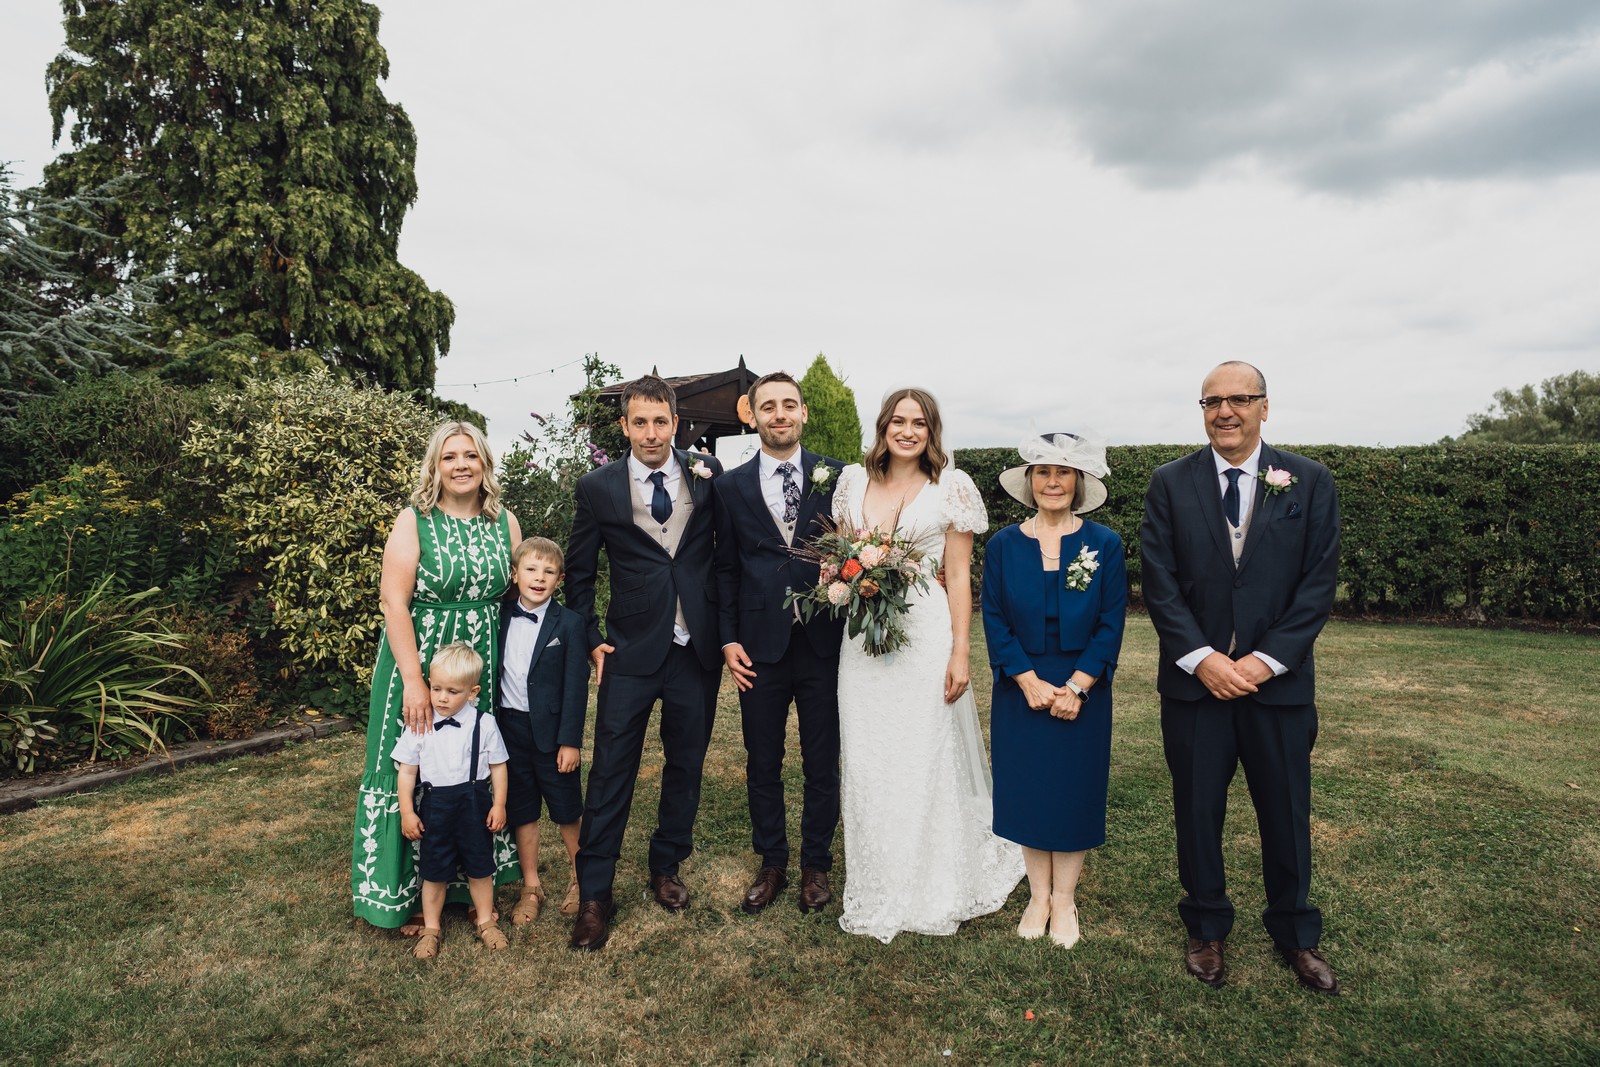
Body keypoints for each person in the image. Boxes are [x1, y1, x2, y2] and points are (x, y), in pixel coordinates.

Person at [1140, 361, 1342, 993]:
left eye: (1239, 400)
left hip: (1276, 688)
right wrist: (1203, 659)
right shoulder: (1169, 483)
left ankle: (1295, 933)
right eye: (1212, 402)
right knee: (1197, 810)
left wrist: (1264, 661)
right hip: (1196, 687)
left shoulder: (1309, 482)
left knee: (1285, 812)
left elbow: (1316, 585)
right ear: (1202, 411)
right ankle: (1205, 925)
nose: (1225, 412)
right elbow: (1160, 583)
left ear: (1263, 407)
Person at [830, 387, 1023, 942]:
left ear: (932, 430)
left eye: (919, 422)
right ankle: (878, 877)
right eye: (898, 420)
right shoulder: (851, 481)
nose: (907, 430)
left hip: (926, 633)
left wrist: (961, 650)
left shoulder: (952, 487)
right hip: (863, 637)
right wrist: (843, 581)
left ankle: (933, 879)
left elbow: (959, 574)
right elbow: (843, 556)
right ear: (883, 426)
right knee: (869, 754)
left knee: (923, 750)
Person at [564, 374, 724, 952]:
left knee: (686, 763)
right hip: (629, 652)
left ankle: (666, 865)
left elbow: (720, 557)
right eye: (640, 422)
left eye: (661, 421)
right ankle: (595, 893)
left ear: (675, 422)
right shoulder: (598, 487)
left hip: (694, 651)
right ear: (624, 425)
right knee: (610, 771)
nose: (651, 433)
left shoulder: (707, 476)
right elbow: (578, 574)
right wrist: (589, 640)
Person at [352, 421, 520, 930]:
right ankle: (401, 898)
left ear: (485, 464)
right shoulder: (414, 520)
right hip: (419, 660)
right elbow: (393, 602)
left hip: (478, 667)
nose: (462, 465)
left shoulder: (504, 522)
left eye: (471, 455)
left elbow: (519, 594)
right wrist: (413, 680)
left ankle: (471, 887)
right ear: (436, 466)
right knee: (410, 760)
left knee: (470, 763)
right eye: (450, 457)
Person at [982, 433, 1126, 950]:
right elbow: (994, 619)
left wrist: (1077, 687)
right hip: (1020, 687)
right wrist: (1025, 679)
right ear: (1029, 482)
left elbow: (1111, 623)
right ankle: (1036, 895)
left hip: (1082, 687)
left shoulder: (1104, 545)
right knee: (1028, 792)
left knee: (1071, 792)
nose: (1052, 482)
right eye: (1043, 472)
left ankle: (1064, 900)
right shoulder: (1002, 545)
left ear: (1079, 483)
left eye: (1063, 473)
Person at [714, 371, 846, 915]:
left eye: (789, 405)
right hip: (759, 648)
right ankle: (771, 861)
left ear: (804, 412)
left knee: (822, 761)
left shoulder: (837, 478)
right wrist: (727, 641)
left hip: (823, 643)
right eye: (768, 406)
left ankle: (816, 864)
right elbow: (723, 568)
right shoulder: (729, 485)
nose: (780, 414)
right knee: (761, 760)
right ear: (752, 414)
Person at [393, 642, 511, 958]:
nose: (442, 698)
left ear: (472, 692)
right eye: (436, 689)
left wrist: (498, 804)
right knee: (434, 871)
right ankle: (431, 928)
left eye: (453, 692)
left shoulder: (484, 724)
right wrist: (407, 811)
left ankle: (485, 921)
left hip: (474, 804)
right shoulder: (419, 724)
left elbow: (499, 767)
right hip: (436, 807)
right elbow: (406, 773)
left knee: (479, 867)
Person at [495, 536, 589, 926]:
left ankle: (582, 878)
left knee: (566, 808)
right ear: (514, 575)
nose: (539, 578)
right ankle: (530, 886)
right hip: (508, 729)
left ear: (559, 580)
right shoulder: (497, 615)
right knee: (522, 809)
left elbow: (575, 686)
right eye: (531, 570)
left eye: (548, 572)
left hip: (552, 734)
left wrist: (570, 740)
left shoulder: (569, 624)